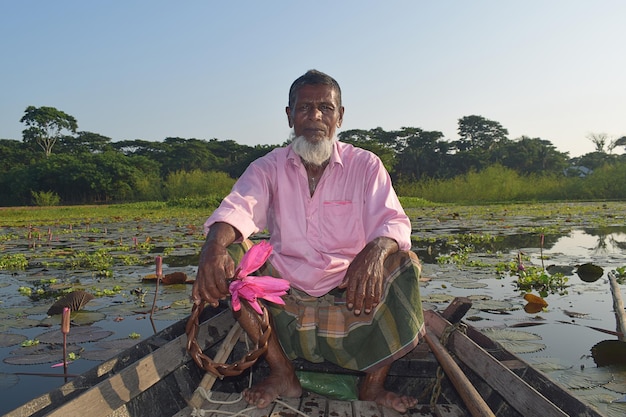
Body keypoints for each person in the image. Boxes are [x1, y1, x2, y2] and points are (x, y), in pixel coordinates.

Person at [192, 69, 424, 413]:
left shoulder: (366, 165)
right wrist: (213, 247)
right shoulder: (267, 167)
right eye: (304, 108)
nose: (315, 117)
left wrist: (376, 250)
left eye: (325, 109)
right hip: (285, 290)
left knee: (403, 261)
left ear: (340, 116)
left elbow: (393, 222)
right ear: (290, 115)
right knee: (232, 253)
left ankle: (372, 386)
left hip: (352, 290)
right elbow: (238, 210)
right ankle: (283, 373)